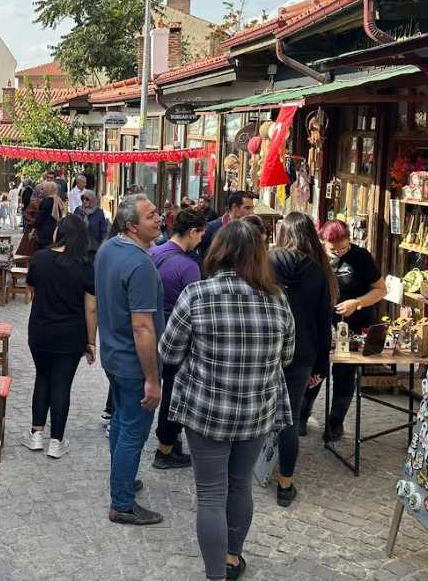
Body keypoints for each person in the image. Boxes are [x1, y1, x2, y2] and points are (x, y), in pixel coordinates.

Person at [158, 221, 295, 581]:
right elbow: (288, 356)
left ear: (219, 252)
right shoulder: (278, 301)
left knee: (210, 494)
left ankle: (215, 574)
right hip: (256, 410)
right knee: (240, 485)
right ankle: (233, 557)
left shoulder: (197, 295)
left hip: (206, 410)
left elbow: (169, 351)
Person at [95, 194, 164, 526]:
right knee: (134, 429)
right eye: (151, 216)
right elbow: (142, 326)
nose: (159, 218)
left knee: (122, 422)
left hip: (113, 355)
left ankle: (122, 478)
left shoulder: (108, 249)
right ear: (132, 226)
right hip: (133, 363)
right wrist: (152, 378)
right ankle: (122, 502)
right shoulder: (141, 265)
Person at [268, 212, 336, 507]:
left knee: (254, 409)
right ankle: (285, 484)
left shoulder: (267, 262)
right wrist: (322, 364)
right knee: (291, 418)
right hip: (303, 353)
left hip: (266, 348)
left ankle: (242, 473)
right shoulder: (319, 272)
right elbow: (324, 323)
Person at [301, 219, 386, 442]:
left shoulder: (361, 257)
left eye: (344, 247)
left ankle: (335, 422)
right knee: (315, 371)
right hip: (321, 324)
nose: (339, 252)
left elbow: (380, 290)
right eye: (334, 249)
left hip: (354, 324)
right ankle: (302, 414)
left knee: (344, 374)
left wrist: (357, 303)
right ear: (323, 243)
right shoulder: (315, 256)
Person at [22, 216, 97, 459]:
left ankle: (35, 435)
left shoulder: (40, 258)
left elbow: (31, 289)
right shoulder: (84, 264)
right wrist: (91, 341)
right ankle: (56, 441)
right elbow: (91, 308)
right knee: (62, 384)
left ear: (59, 232)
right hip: (71, 333)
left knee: (42, 378)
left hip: (41, 330)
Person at [148, 208, 206, 470]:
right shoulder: (189, 266)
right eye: (201, 233)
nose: (202, 239)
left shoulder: (153, 252)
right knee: (174, 391)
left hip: (149, 329)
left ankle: (166, 441)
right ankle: (166, 448)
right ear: (192, 232)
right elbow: (197, 309)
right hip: (177, 336)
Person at [197, 191, 255, 259]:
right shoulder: (211, 228)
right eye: (247, 208)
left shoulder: (251, 228)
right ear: (234, 207)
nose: (251, 212)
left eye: (252, 208)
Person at [34, 181, 65, 249]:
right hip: (55, 231)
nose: (41, 191)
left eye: (43, 189)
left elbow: (40, 218)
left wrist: (34, 225)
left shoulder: (46, 201)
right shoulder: (58, 200)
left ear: (48, 189)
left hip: (45, 234)